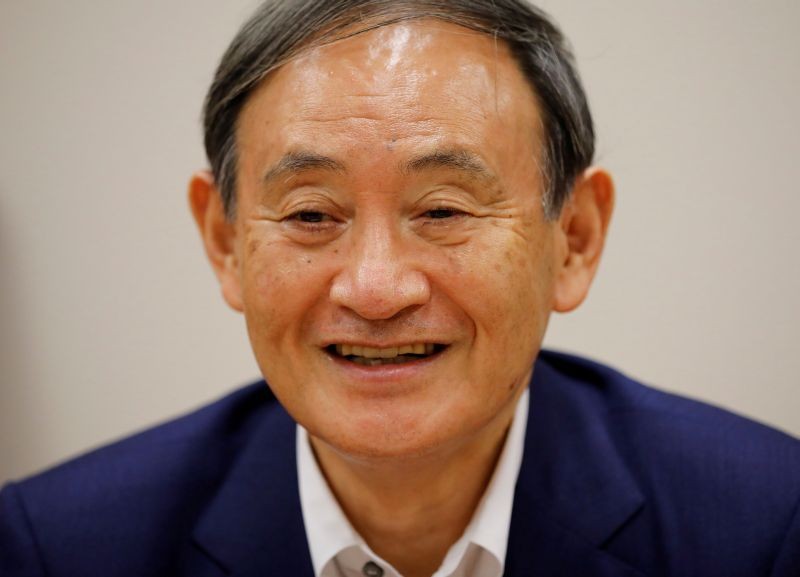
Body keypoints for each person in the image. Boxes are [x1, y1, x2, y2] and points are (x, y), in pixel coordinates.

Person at [1, 1, 799, 575]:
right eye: (312, 213)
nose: (376, 288)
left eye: (443, 209)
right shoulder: (60, 545)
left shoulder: (763, 526)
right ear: (225, 242)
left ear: (575, 238)